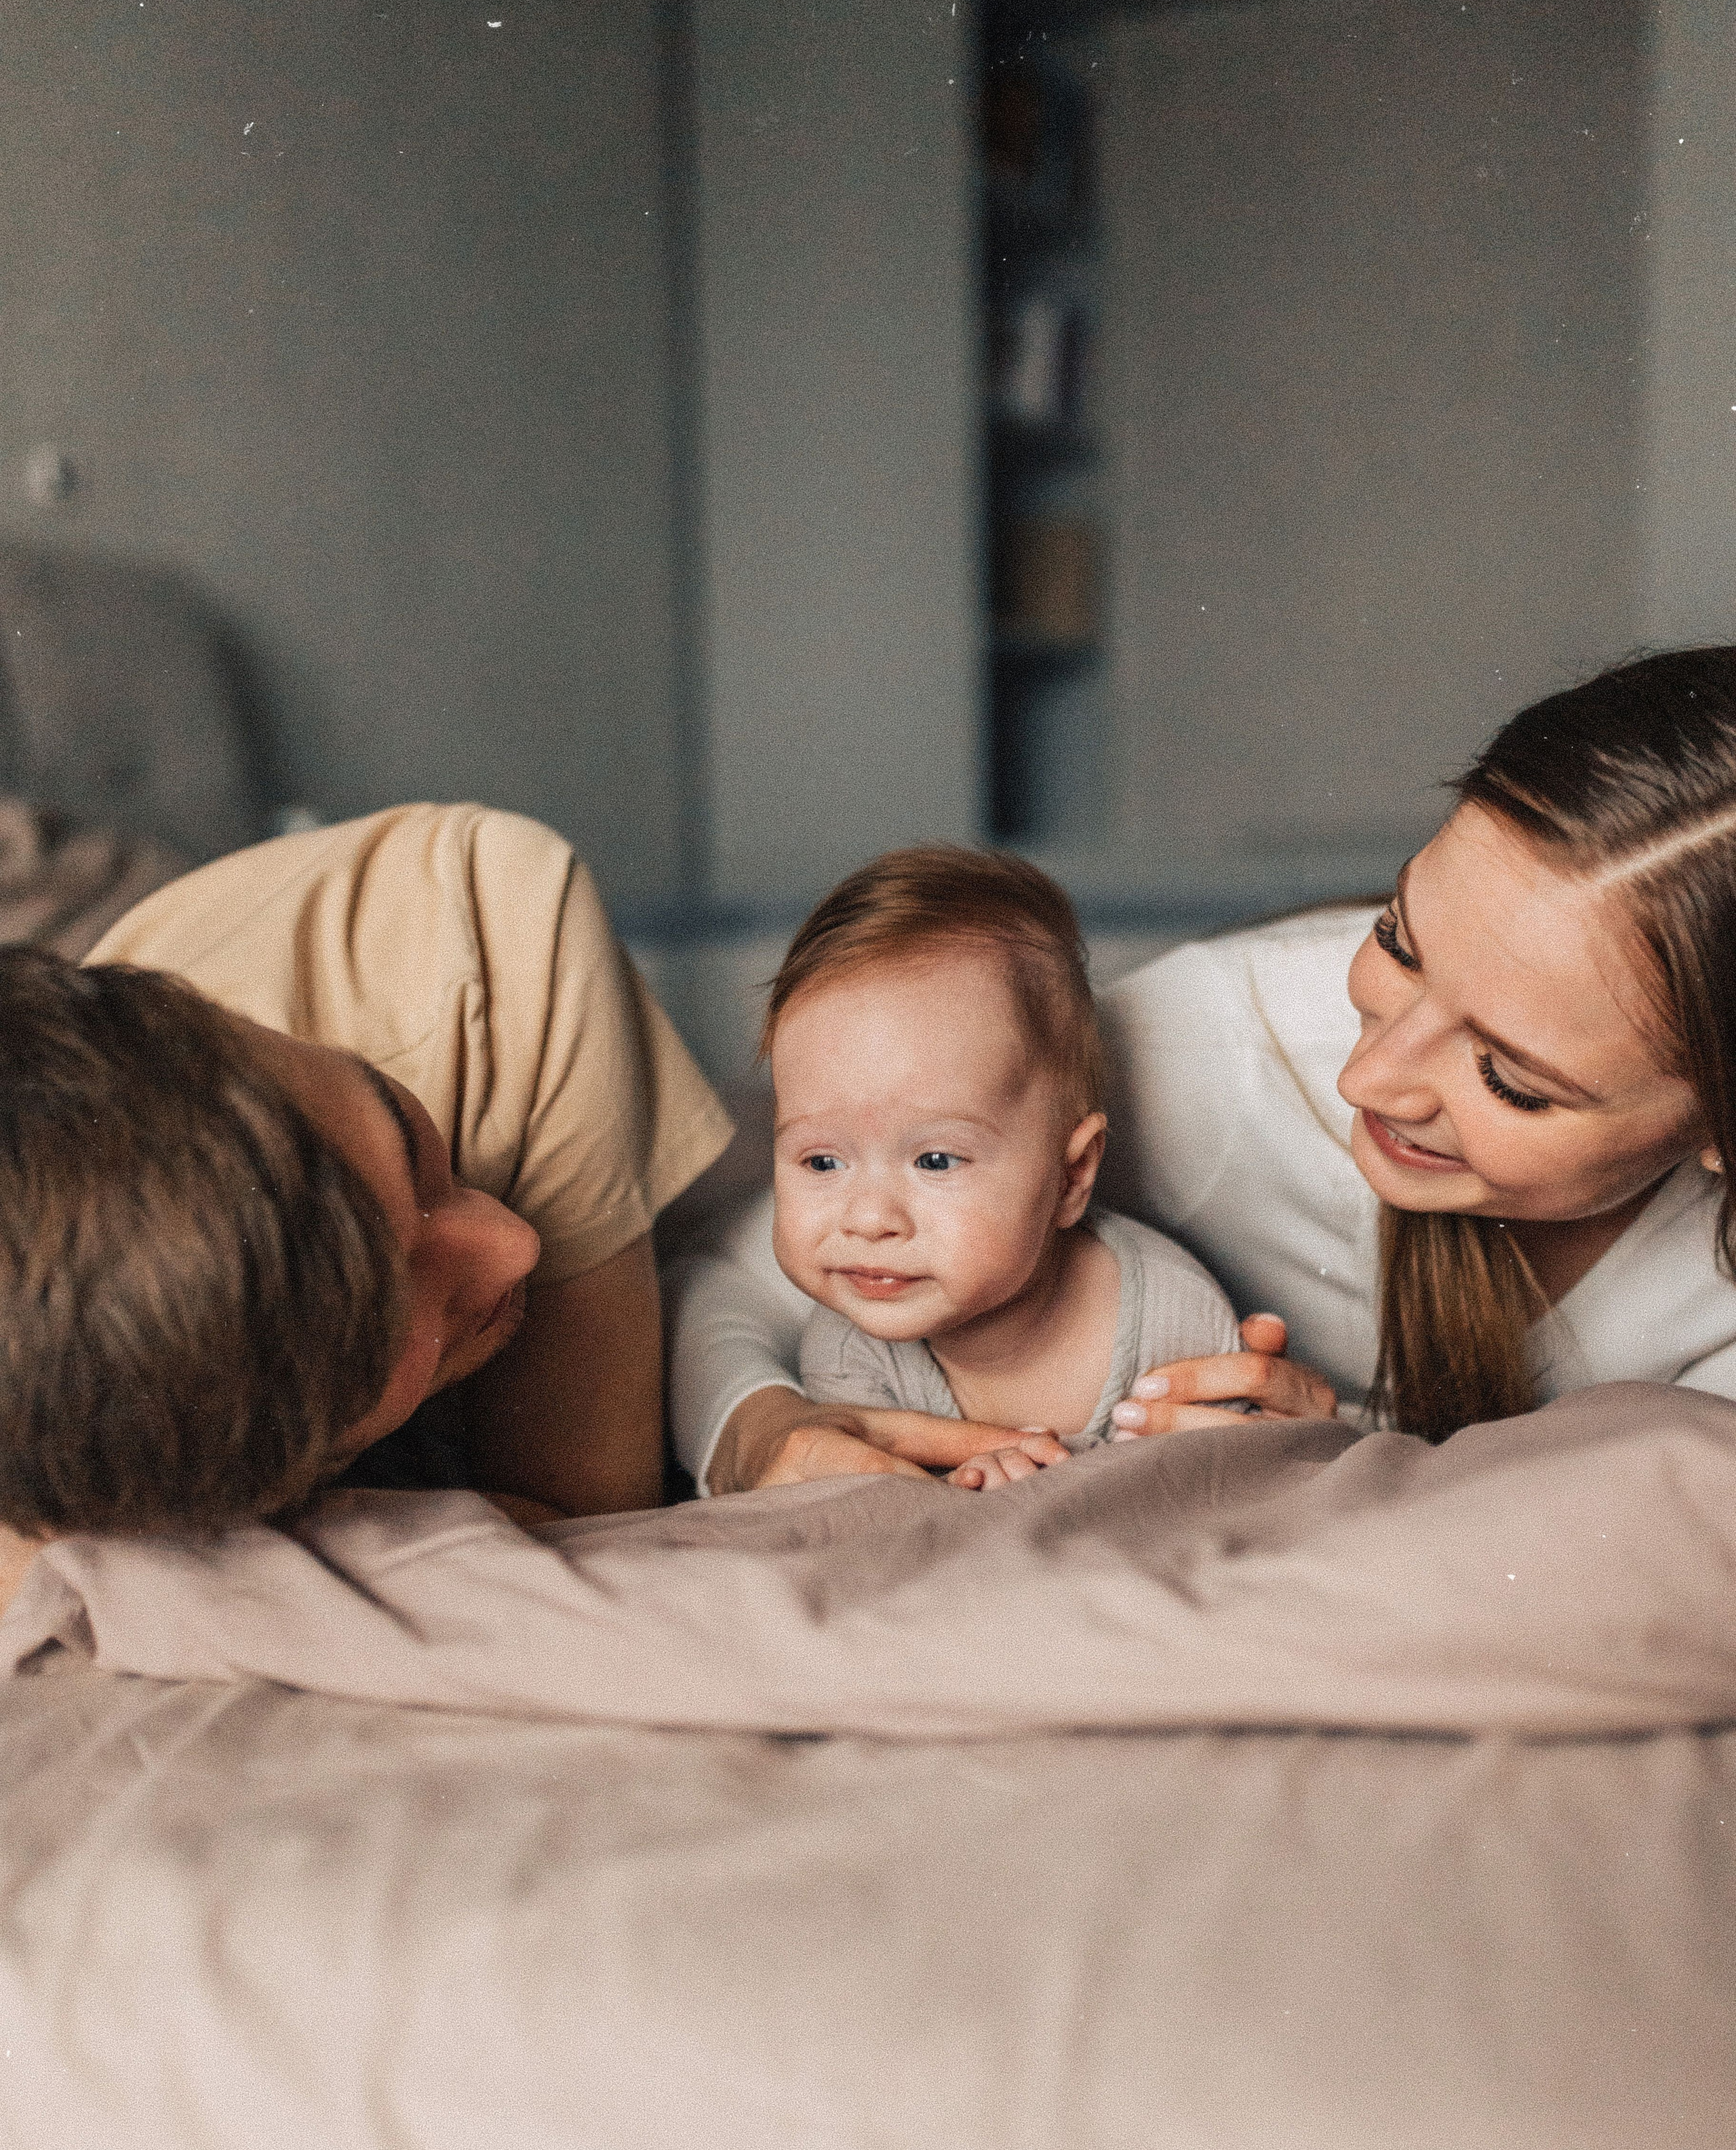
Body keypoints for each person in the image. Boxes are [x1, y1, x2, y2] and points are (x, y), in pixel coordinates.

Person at [668, 646, 1736, 1491]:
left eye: (1512, 1079)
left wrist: (1351, 1461)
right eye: (1400, 940)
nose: (1367, 1080)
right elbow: (718, 1280)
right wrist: (756, 1430)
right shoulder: (1212, 1058)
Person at [0, 802, 733, 1540]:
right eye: (399, 1320)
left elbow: (588, 1525)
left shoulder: (474, 926)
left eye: (410, 1146)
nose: (517, 1242)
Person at [766, 848, 1240, 1489]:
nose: (869, 1218)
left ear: (1072, 1177)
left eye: (935, 1160)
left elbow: (1229, 1499)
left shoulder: (1172, 1321)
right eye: (822, 1161)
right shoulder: (850, 1348)